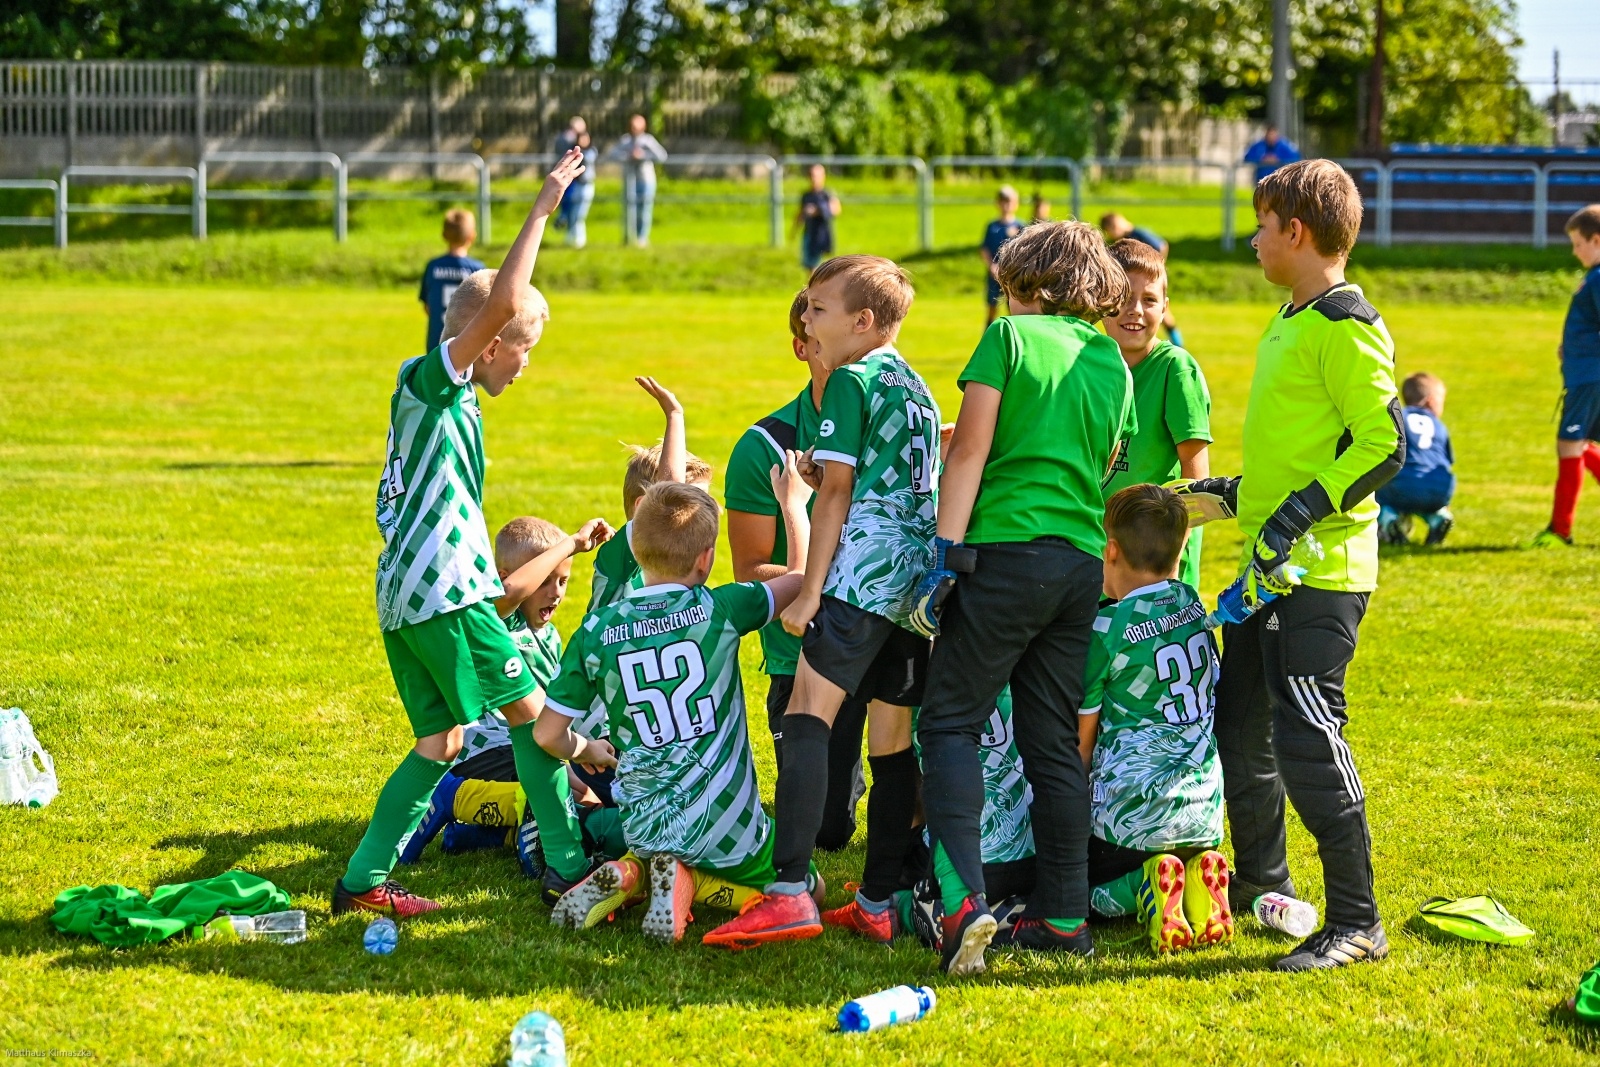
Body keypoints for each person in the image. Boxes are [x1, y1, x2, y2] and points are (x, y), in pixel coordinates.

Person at [333, 148, 590, 920]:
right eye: (523, 348)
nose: (525, 363)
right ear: (489, 340)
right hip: (449, 595)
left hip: (405, 597)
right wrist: (543, 205)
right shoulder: (431, 380)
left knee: (441, 741)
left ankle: (361, 880)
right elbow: (507, 297)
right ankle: (569, 866)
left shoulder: (460, 403)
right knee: (536, 721)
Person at [1172, 157, 1404, 972]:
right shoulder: (1290, 317)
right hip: (1265, 572)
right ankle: (1261, 882)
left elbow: (1384, 445)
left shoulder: (1346, 323)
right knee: (1240, 723)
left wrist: (1303, 508)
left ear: (1295, 232)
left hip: (1323, 575)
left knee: (1309, 737)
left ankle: (1357, 921)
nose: (1254, 237)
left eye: (1263, 225)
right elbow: (1301, 448)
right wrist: (1227, 494)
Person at [912, 220, 1136, 975]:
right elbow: (1110, 461)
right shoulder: (1114, 359)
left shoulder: (1007, 339)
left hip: (1001, 555)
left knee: (948, 723)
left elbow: (969, 448)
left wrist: (942, 555)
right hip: (1077, 565)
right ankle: (1065, 917)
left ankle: (962, 904)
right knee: (1050, 744)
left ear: (1027, 285)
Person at [703, 255, 939, 951]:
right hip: (912, 580)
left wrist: (810, 591)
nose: (806, 320)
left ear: (863, 322)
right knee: (893, 740)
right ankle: (877, 899)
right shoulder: (915, 384)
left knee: (807, 713)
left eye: (819, 309)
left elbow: (834, 496)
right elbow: (876, 471)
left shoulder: (850, 379)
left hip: (861, 575)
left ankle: (787, 893)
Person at [537, 479, 820, 943]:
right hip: (728, 825)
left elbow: (547, 735)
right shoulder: (721, 608)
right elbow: (805, 576)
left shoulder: (595, 629)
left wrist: (587, 748)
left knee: (654, 845)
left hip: (646, 824)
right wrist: (793, 504)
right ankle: (683, 880)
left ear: (638, 549)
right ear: (706, 558)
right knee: (808, 887)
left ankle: (639, 871)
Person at [398, 514, 623, 872]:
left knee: (595, 792)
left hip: (532, 750)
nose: (556, 591)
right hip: (486, 749)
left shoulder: (549, 637)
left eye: (563, 580)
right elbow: (508, 595)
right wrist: (571, 544)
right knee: (569, 788)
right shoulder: (499, 621)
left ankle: (485, 833)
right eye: (545, 581)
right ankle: (455, 798)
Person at [724, 290, 868, 851]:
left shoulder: (894, 426)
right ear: (801, 346)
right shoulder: (766, 446)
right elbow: (753, 571)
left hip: (883, 637)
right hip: (802, 653)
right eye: (818, 336)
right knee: (827, 831)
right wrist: (822, 588)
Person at [1077, 484, 1231, 955]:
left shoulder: (1106, 629)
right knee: (1179, 849)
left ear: (1111, 550)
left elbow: (1081, 745)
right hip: (1204, 808)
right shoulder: (1190, 602)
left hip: (1131, 819)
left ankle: (1144, 889)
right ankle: (1201, 876)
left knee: (1076, 896)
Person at [1102, 238, 1213, 589]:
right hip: (1101, 554)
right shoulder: (1091, 366)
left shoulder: (1175, 369)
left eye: (1149, 300)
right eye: (1122, 298)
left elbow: (1195, 482)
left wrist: (1174, 562)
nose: (1135, 309)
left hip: (1157, 561)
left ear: (1165, 308)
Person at [588, 377, 713, 613]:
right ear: (644, 507)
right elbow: (671, 487)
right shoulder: (620, 559)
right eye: (689, 507)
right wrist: (674, 415)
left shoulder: (679, 564)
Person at [1528, 204, 1600, 548]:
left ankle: (1560, 530)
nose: (1574, 251)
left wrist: (1584, 355)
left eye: (1577, 244)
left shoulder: (1599, 277)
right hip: (1585, 373)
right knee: (1579, 443)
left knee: (1570, 444)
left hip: (1590, 378)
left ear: (1596, 240)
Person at [1378, 373, 1456, 546]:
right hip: (1441, 489)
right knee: (1424, 494)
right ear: (1430, 401)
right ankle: (1438, 517)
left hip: (1402, 487)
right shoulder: (1439, 426)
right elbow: (1448, 460)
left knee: (1376, 485)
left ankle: (1389, 519)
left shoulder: (1398, 417)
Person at [1099, 214, 1185, 348]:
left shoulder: (1138, 233)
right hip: (1134, 285)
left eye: (1111, 230)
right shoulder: (1123, 240)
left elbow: (1162, 245)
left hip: (1147, 283)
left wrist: (1156, 268)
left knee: (1165, 317)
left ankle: (1179, 343)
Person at [418, 209, 485, 354]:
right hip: (465, 342)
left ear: (443, 235)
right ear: (472, 236)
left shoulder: (433, 266)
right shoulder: (477, 269)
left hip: (436, 342)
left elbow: (428, 307)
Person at [608, 114, 668, 247]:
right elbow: (612, 154)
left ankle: (642, 238)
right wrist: (628, 156)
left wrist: (643, 155)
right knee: (629, 210)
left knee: (644, 210)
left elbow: (662, 155)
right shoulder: (625, 141)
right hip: (630, 182)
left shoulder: (648, 141)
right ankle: (629, 237)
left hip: (646, 180)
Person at [982, 186, 1025, 326]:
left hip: (1011, 276)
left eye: (1010, 201)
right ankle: (987, 339)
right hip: (994, 275)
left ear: (1016, 203)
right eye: (1003, 201)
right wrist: (992, 266)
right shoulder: (992, 226)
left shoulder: (1020, 227)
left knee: (1013, 308)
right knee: (992, 308)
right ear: (998, 203)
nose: (1006, 205)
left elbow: (1024, 251)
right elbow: (984, 249)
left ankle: (1013, 337)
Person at [552, 117, 598, 249]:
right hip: (573, 186)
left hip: (586, 186)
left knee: (579, 214)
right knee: (570, 212)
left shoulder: (590, 152)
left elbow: (588, 157)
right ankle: (570, 237)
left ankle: (579, 239)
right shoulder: (568, 145)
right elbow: (560, 145)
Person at [794, 164, 842, 271]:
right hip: (809, 233)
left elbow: (836, 210)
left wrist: (817, 211)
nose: (813, 179)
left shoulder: (827, 194)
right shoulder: (806, 195)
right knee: (810, 265)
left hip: (822, 233)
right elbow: (800, 214)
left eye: (816, 176)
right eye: (811, 175)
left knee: (818, 265)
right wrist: (795, 229)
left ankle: (816, 287)